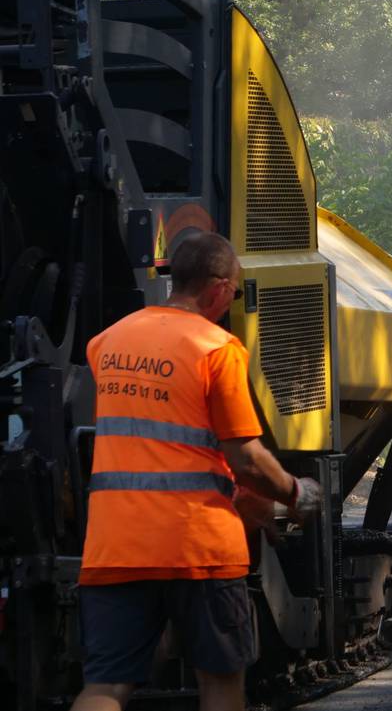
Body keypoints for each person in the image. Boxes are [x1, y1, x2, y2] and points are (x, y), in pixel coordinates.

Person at [71, 231, 323, 711]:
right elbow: (244, 457)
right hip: (199, 547)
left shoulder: (107, 343)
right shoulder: (215, 348)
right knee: (222, 680)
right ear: (217, 288)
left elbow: (163, 441)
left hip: (116, 546)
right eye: (233, 292)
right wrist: (295, 492)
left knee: (106, 686)